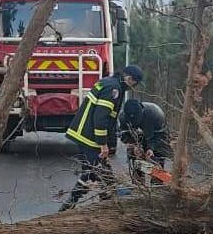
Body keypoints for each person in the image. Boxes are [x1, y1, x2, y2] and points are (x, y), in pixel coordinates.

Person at [59, 64, 144, 211]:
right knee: (96, 171)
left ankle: (106, 202)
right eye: (134, 84)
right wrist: (103, 144)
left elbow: (109, 119)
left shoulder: (108, 82)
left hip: (83, 133)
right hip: (89, 137)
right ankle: (69, 205)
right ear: (129, 79)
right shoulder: (114, 90)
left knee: (100, 171)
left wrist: (111, 143)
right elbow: (101, 118)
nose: (134, 88)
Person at [119, 99, 172, 183]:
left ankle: (157, 182)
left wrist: (151, 148)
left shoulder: (156, 114)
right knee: (134, 156)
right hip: (138, 137)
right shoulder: (123, 117)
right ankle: (138, 180)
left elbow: (161, 136)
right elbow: (124, 135)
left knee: (158, 156)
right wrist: (134, 145)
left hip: (156, 135)